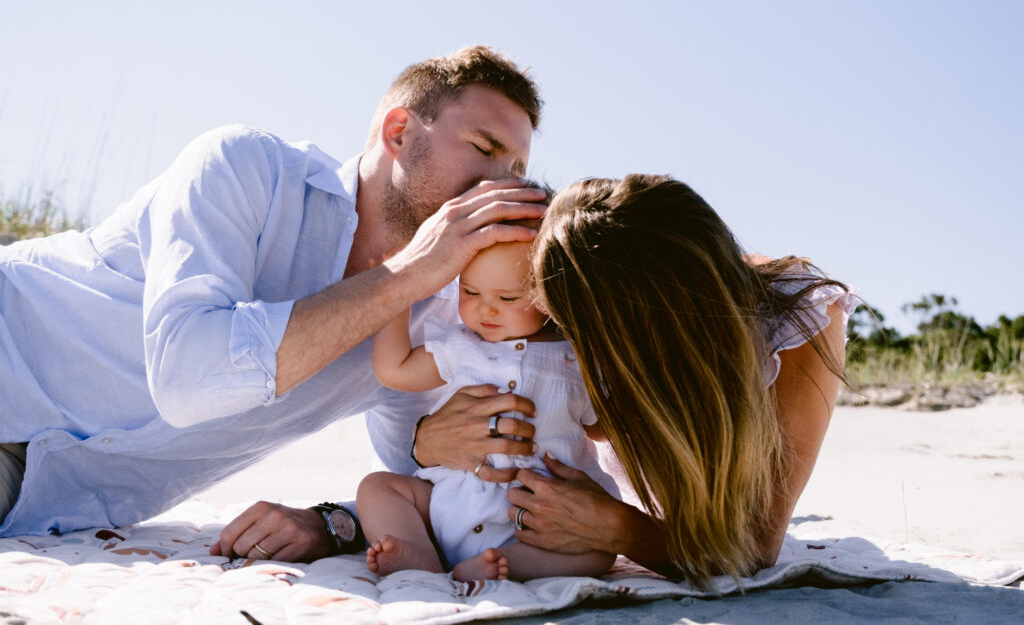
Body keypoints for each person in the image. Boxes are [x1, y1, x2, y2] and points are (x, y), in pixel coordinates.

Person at [0, 46, 547, 554]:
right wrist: (406, 275)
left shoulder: (446, 321)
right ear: (399, 133)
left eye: (515, 172)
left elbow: (429, 484)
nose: (497, 185)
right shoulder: (244, 168)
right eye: (483, 149)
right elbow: (186, 379)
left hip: (42, 501)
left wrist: (332, 522)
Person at [233, 173, 853, 592]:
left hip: (613, 513)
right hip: (517, 503)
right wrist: (426, 442)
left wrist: (619, 529)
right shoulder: (579, 274)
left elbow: (754, 548)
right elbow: (486, 442)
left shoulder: (798, 317)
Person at [358, 206, 618, 582]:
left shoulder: (573, 358)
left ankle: (507, 565)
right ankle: (418, 551)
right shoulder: (460, 345)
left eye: (508, 298)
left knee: (600, 550)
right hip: (451, 500)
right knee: (378, 487)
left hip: (538, 517)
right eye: (470, 291)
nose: (485, 309)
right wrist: (399, 292)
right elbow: (393, 369)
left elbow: (602, 429)